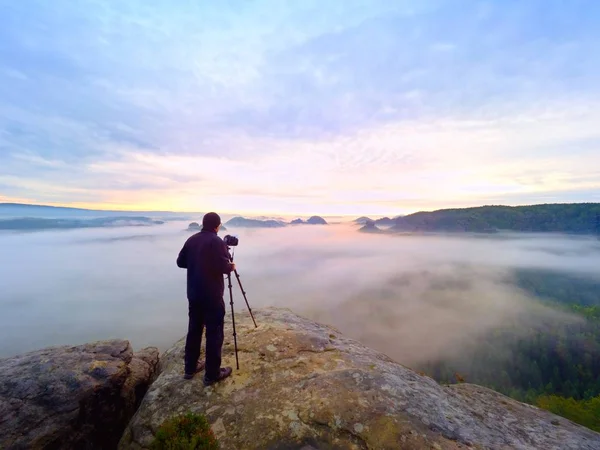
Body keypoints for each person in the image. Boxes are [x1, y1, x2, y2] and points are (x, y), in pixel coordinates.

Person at [176, 212, 235, 385]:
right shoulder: (216, 241)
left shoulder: (192, 239)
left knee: (194, 329)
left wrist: (197, 262)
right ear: (217, 226)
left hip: (194, 294)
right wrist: (231, 266)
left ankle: (190, 367)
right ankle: (212, 374)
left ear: (203, 224)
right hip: (212, 296)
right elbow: (224, 267)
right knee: (214, 333)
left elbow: (180, 262)